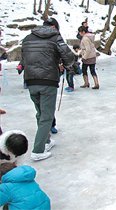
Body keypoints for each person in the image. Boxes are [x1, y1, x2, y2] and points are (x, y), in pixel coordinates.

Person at [21, 17, 75, 161]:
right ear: (55, 28)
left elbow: (24, 59)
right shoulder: (55, 37)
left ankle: (46, 141)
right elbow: (69, 58)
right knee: (46, 116)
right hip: (48, 80)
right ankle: (38, 150)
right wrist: (63, 64)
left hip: (31, 80)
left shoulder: (27, 38)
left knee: (40, 113)